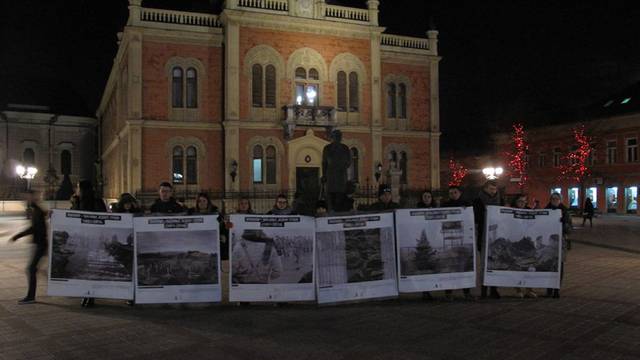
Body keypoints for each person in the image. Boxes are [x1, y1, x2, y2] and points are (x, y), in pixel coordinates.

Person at [71, 180, 107, 308]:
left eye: (78, 187)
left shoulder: (96, 201)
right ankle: (86, 294)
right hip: (83, 240)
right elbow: (70, 217)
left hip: (93, 240)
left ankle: (90, 295)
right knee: (86, 267)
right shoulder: (77, 201)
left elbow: (104, 219)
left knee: (91, 267)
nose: (77, 190)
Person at [10, 190, 47, 304]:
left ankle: (31, 297)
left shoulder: (37, 211)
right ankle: (31, 296)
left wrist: (18, 236)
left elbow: (34, 229)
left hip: (41, 245)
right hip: (40, 244)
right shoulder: (36, 210)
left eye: (27, 197)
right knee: (34, 269)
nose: (25, 200)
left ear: (33, 198)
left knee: (31, 269)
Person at [441, 186, 474, 301]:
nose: (453, 194)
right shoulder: (444, 205)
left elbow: (471, 217)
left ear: (460, 193)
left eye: (455, 192)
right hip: (449, 237)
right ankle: (449, 292)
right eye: (450, 193)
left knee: (463, 266)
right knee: (450, 266)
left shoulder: (466, 204)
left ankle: (466, 292)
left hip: (462, 238)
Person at [473, 180, 503, 299]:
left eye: (495, 189)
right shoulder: (478, 201)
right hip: (483, 235)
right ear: (485, 188)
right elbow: (475, 217)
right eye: (491, 189)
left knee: (495, 263)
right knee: (484, 264)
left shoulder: (500, 200)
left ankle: (494, 289)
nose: (493, 191)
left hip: (497, 236)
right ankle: (484, 289)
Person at [510, 194, 537, 299]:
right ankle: (518, 290)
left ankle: (529, 290)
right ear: (516, 201)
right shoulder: (510, 211)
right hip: (515, 242)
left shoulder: (529, 211)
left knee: (529, 266)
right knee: (517, 266)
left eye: (524, 201)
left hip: (527, 242)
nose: (522, 203)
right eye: (520, 201)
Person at [545, 192, 571, 299]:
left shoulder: (565, 211)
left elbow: (569, 229)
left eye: (557, 199)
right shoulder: (545, 210)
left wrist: (564, 224)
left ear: (560, 200)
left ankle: (556, 289)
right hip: (549, 242)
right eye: (553, 199)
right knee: (548, 266)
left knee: (559, 267)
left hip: (560, 243)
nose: (555, 201)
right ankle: (549, 289)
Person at [322, 130, 352, 212]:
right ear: (332, 138)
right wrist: (324, 175)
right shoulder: (327, 148)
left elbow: (349, 162)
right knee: (330, 198)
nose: (338, 138)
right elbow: (324, 163)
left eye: (339, 137)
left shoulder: (345, 148)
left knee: (340, 197)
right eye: (336, 136)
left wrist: (341, 165)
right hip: (330, 177)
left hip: (341, 177)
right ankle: (331, 211)